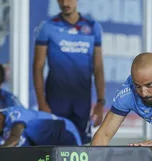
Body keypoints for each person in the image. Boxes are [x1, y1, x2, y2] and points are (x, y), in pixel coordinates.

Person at [33, 0, 105, 145]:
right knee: (52, 148)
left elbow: (98, 67)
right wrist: (41, 102)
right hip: (55, 102)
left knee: (81, 148)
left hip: (81, 102)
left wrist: (100, 102)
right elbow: (38, 67)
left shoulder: (92, 27)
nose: (65, 3)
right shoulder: (47, 27)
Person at [0, 105, 82, 148]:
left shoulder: (15, 114)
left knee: (31, 130)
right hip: (48, 145)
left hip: (64, 132)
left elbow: (14, 139)